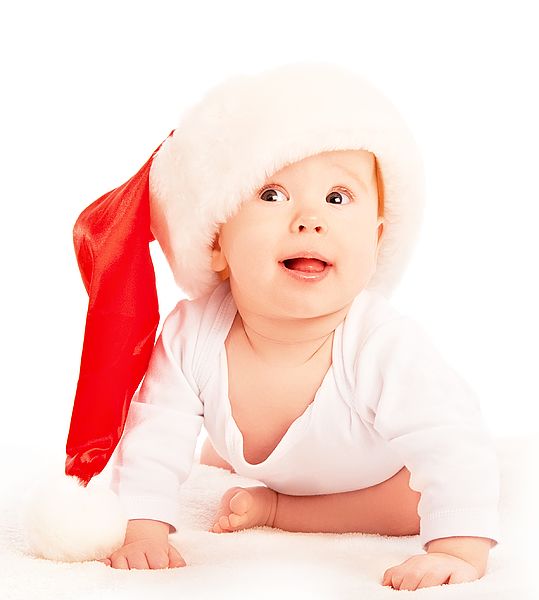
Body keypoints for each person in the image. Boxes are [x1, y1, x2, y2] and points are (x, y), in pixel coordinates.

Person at [74, 63, 499, 591]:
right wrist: (143, 529)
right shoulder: (191, 335)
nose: (309, 219)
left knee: (418, 499)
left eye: (338, 197)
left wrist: (459, 548)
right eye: (272, 195)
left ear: (377, 237)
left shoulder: (382, 344)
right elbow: (153, 437)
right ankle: (237, 460)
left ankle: (282, 509)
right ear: (215, 240)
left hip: (381, 475)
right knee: (194, 439)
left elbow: (448, 440)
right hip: (278, 453)